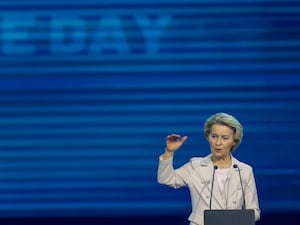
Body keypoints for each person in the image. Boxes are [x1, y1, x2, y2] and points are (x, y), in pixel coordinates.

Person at [157, 112, 260, 225]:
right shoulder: (195, 166)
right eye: (214, 136)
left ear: (234, 141)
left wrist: (235, 219)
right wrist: (169, 152)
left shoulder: (244, 171)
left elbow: (254, 211)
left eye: (225, 138)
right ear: (208, 137)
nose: (218, 143)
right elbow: (166, 179)